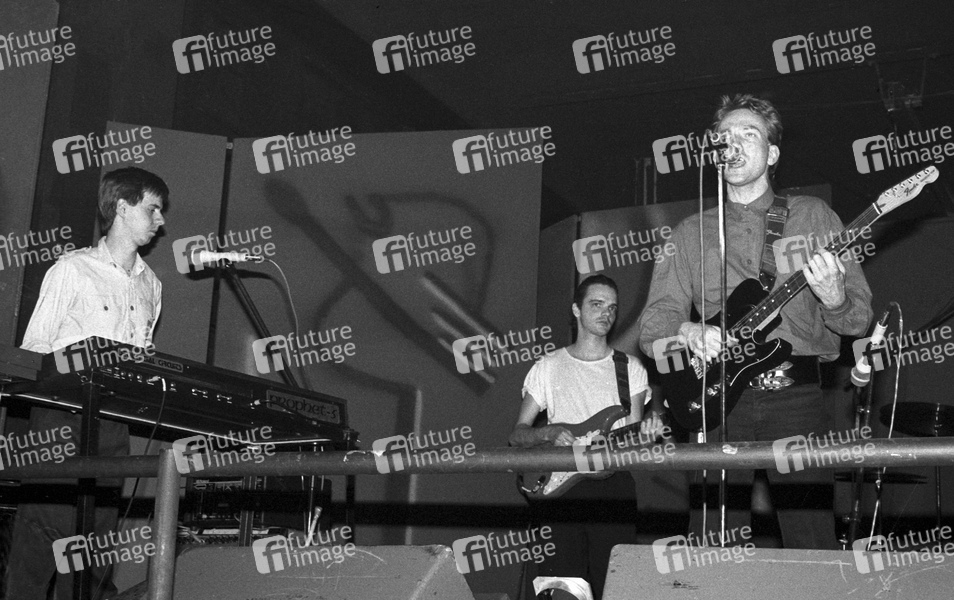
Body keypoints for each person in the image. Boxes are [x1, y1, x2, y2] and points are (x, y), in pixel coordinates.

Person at [636, 94, 873, 549]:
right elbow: (652, 326)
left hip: (796, 396)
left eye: (749, 134)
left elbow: (858, 322)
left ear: (773, 153)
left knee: (810, 542)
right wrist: (687, 331)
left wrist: (836, 298)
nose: (735, 143)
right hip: (717, 398)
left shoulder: (812, 215)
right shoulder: (689, 232)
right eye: (725, 136)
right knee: (711, 543)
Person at [6, 167, 168, 600]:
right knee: (42, 539)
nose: (160, 221)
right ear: (123, 207)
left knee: (95, 550)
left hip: (112, 423)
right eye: (153, 209)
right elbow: (34, 352)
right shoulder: (73, 270)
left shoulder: (152, 285)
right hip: (60, 420)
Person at [510, 274, 663, 599]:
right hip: (559, 491)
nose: (606, 313)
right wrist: (549, 432)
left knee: (615, 588)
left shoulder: (630, 368)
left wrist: (648, 435)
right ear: (576, 310)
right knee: (562, 589)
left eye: (612, 307)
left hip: (613, 488)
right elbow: (517, 435)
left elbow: (634, 438)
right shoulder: (549, 366)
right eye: (597, 304)